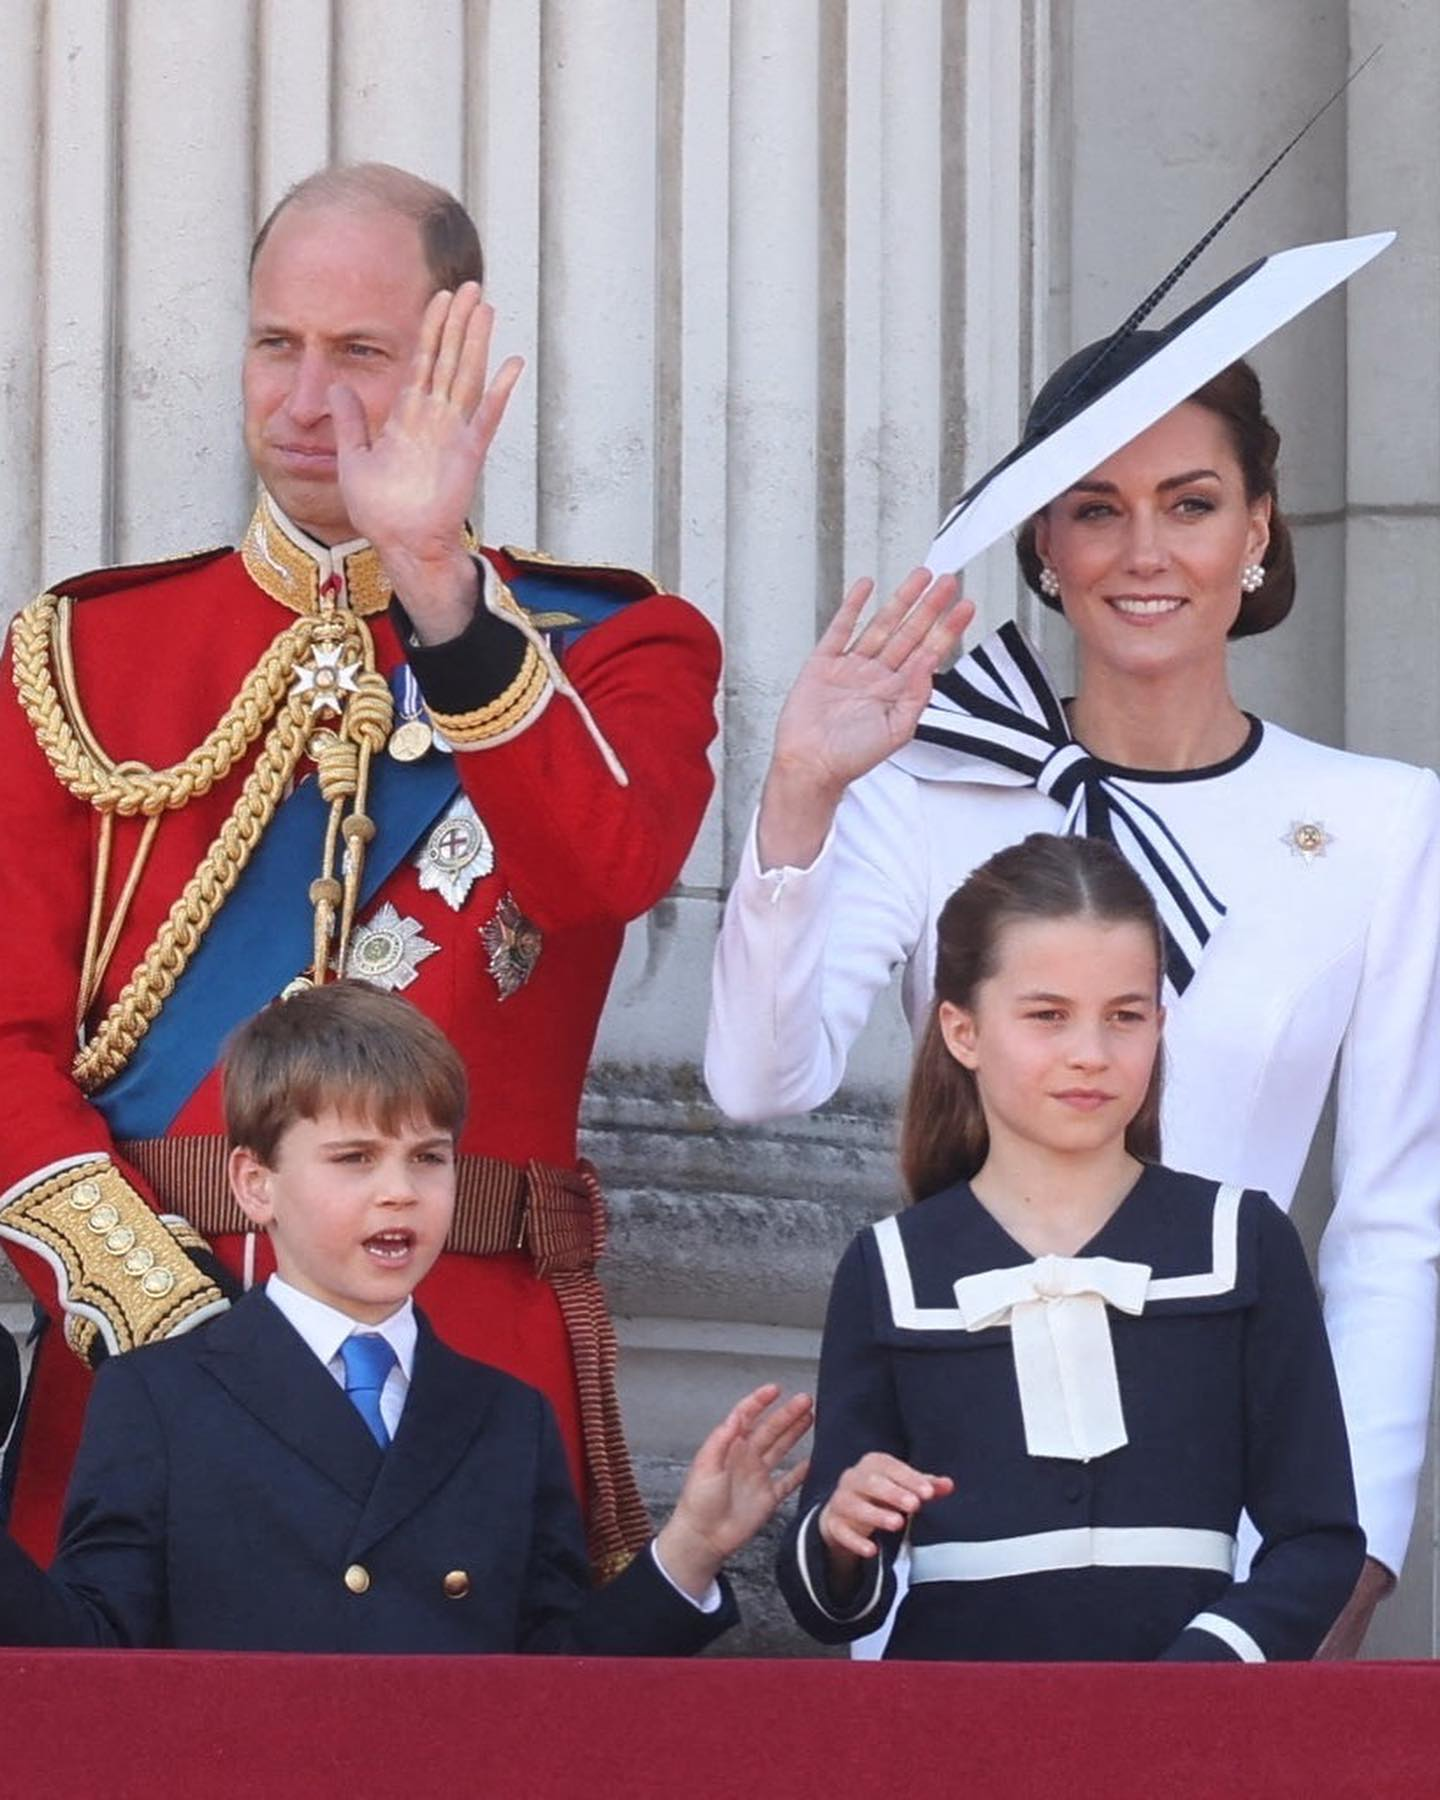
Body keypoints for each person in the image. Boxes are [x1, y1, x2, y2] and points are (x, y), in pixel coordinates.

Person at [0, 162, 721, 1577]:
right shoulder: (83, 660)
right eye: (280, 344)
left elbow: (597, 872)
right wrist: (166, 1321)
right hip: (140, 1371)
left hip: (466, 1370)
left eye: (362, 354)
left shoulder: (615, 650)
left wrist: (439, 584)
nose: (307, 396)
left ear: (457, 358)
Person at [707, 342, 1440, 1652]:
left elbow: (1394, 1219)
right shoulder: (923, 789)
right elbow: (762, 1081)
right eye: (1097, 507)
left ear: (1258, 527)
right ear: (1045, 544)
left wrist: (1356, 1557)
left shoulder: (1383, 824)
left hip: (1238, 1521)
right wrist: (801, 798)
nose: (1144, 551)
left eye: (1192, 502)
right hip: (958, 1490)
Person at [0, 981, 810, 1652]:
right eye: (354, 1159)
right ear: (255, 1184)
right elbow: (92, 1653)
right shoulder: (160, 1397)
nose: (400, 1191)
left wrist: (690, 1550)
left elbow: (562, 1689)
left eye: (428, 1157)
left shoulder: (506, 1417)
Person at [778, 834, 1363, 1660]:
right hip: (954, 1735)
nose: (1092, 1053)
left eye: (1125, 1016)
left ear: (1160, 1025)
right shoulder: (891, 1266)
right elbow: (832, 1604)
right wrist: (841, 1532)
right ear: (963, 1030)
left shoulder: (1243, 1240)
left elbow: (1320, 1537)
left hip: (1186, 1743)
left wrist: (1204, 1671)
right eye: (1048, 1016)